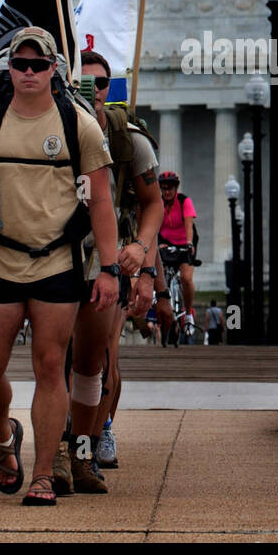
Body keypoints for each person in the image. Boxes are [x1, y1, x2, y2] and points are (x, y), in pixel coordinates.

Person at [0, 28, 120, 506]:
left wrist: (109, 268)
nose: (27, 72)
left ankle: (43, 475)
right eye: (19, 65)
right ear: (8, 70)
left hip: (56, 263)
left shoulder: (78, 124)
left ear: (53, 71)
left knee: (50, 367)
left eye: (37, 65)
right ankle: (5, 437)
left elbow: (101, 199)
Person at [60, 49, 162, 484]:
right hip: (59, 256)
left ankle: (90, 442)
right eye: (82, 82)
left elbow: (152, 203)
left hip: (111, 260)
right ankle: (60, 451)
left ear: (110, 88)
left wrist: (144, 264)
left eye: (99, 83)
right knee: (58, 360)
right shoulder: (53, 129)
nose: (91, 91)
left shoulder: (129, 139)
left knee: (99, 358)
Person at [157, 171, 198, 332]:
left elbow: (189, 224)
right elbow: (154, 226)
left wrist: (188, 243)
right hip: (165, 243)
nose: (167, 191)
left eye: (170, 188)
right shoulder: (158, 203)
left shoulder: (184, 201)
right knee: (161, 276)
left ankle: (188, 314)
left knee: (186, 278)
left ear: (176, 188)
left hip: (184, 242)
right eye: (164, 188)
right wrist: (156, 244)